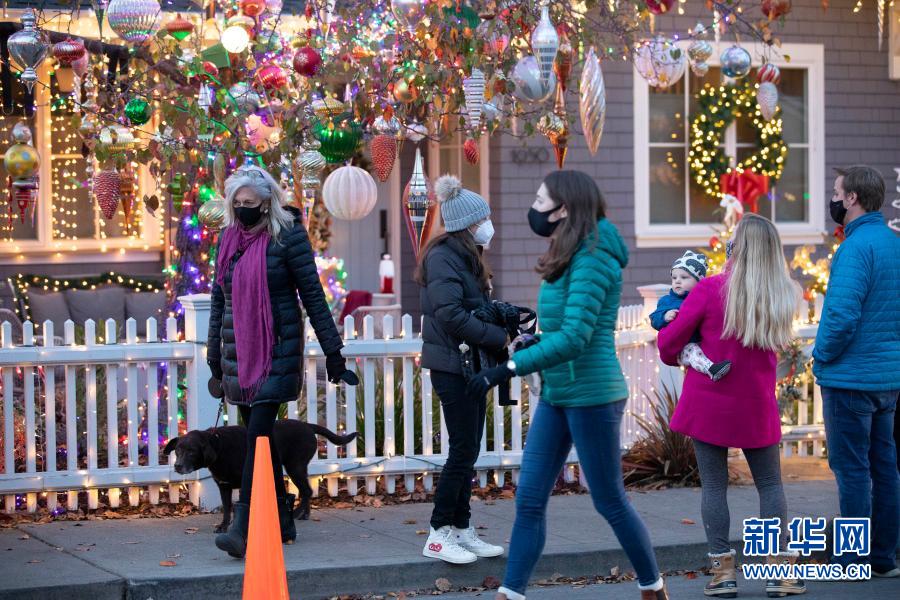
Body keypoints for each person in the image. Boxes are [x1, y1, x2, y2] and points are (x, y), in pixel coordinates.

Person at [468, 171, 666, 600]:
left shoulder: (594, 258)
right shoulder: (567, 251)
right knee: (529, 498)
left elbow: (577, 338)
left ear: (564, 209)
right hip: (558, 393)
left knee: (608, 500)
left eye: (541, 201)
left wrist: (509, 367)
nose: (534, 209)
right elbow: (562, 329)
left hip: (593, 395)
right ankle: (510, 593)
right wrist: (533, 341)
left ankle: (652, 586)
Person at [207, 165, 358, 558]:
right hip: (237, 353)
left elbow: (313, 296)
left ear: (266, 202)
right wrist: (213, 356)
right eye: (237, 203)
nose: (242, 209)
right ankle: (283, 520)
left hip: (276, 351)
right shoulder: (227, 239)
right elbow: (219, 299)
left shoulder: (288, 236)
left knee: (256, 437)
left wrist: (334, 354)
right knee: (262, 442)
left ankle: (242, 527)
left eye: (249, 203)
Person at [657, 214, 805, 597]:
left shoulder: (710, 289)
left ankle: (722, 574)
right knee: (770, 485)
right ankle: (779, 573)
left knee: (714, 487)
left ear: (735, 248)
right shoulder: (783, 294)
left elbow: (669, 345)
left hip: (709, 402)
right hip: (756, 403)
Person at [415, 174, 507, 564]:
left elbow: (468, 308)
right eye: (482, 218)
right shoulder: (443, 257)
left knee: (468, 449)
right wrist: (498, 336)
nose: (488, 224)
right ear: (468, 224)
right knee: (462, 449)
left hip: (467, 364)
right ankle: (439, 533)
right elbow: (450, 314)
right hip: (452, 365)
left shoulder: (465, 257)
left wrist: (498, 317)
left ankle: (461, 527)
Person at [813, 165, 900, 577]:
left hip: (850, 379)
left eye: (836, 192)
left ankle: (851, 560)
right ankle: (883, 557)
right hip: (887, 380)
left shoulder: (854, 248)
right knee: (885, 468)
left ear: (851, 198)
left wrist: (821, 355)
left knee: (852, 472)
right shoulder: (893, 244)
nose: (833, 199)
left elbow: (842, 316)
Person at [649, 250, 731, 381]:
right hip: (682, 348)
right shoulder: (667, 301)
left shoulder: (701, 299)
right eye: (674, 278)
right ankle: (711, 369)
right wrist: (664, 316)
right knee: (692, 350)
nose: (677, 281)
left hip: (699, 343)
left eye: (684, 277)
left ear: (699, 281)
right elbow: (654, 318)